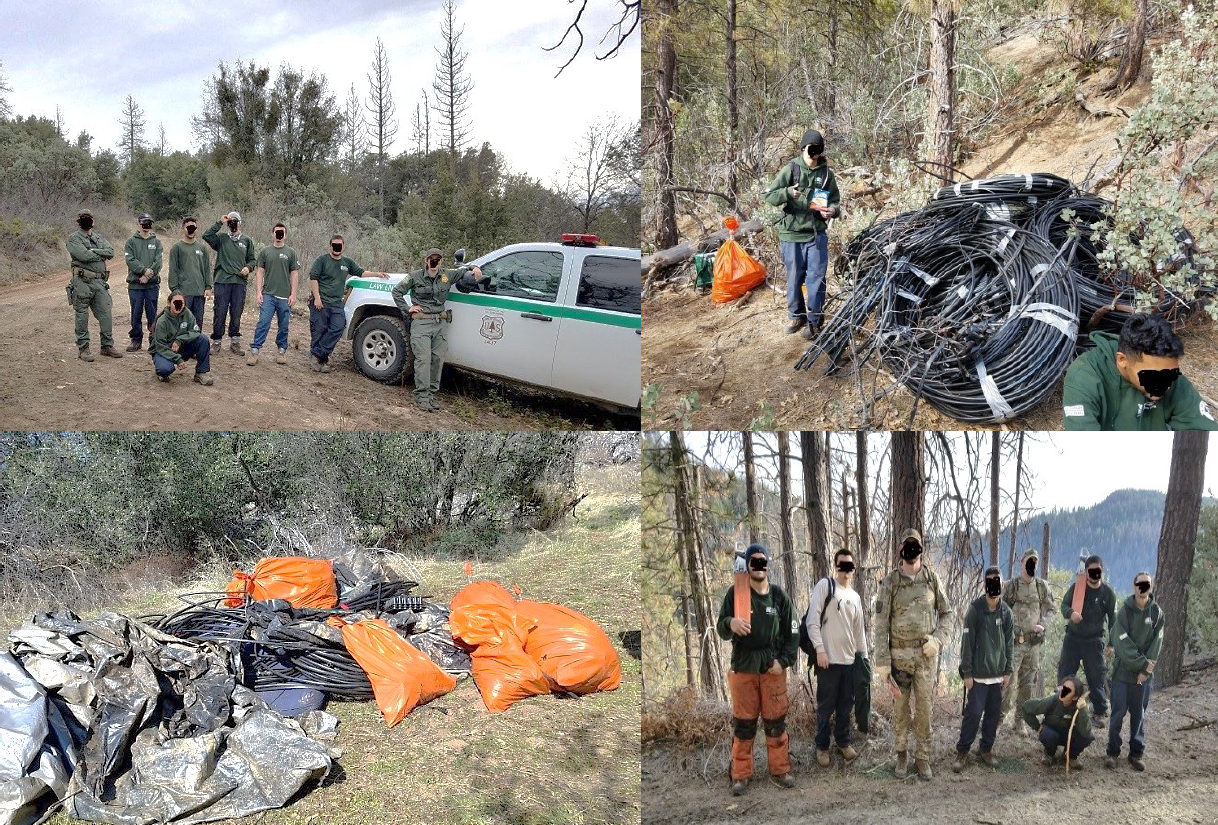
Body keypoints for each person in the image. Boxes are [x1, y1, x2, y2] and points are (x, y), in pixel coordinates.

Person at [715, 543, 798, 796]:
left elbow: (793, 630)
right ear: (748, 566)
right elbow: (721, 627)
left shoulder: (778, 596)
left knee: (775, 722)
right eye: (754, 561)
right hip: (743, 666)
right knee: (744, 725)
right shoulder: (736, 594)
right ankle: (740, 775)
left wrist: (783, 661)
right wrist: (731, 622)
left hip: (772, 667)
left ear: (767, 564)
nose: (759, 565)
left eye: (763, 561)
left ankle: (780, 769)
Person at [874, 528, 954, 781]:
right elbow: (880, 625)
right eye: (907, 545)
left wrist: (938, 640)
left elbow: (948, 614)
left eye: (915, 545)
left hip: (925, 658)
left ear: (921, 550)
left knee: (924, 710)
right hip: (899, 659)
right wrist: (883, 662)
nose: (911, 550)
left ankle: (922, 757)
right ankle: (901, 755)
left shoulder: (931, 579)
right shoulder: (890, 583)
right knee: (900, 710)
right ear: (901, 549)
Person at [1062, 313, 1218, 430]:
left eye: (1171, 373)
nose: (1165, 384)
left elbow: (1203, 430)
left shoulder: (1170, 378)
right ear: (1122, 361)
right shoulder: (1084, 376)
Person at [761, 128, 841, 339]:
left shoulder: (826, 174)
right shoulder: (791, 169)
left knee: (816, 278)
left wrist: (832, 210)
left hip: (816, 234)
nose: (814, 155)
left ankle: (815, 321)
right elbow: (768, 195)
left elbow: (834, 200)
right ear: (803, 149)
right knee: (794, 277)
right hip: (791, 234)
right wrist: (788, 192)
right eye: (811, 150)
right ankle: (797, 315)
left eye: (818, 150)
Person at [391, 247, 488, 411]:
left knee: (437, 360)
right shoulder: (414, 276)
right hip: (421, 323)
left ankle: (431, 395)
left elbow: (468, 271)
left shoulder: (447, 275)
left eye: (437, 259)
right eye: (431, 259)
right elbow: (397, 291)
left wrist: (475, 268)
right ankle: (422, 395)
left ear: (441, 261)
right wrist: (407, 308)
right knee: (423, 359)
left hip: (440, 324)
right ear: (426, 261)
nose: (434, 261)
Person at [807, 548, 868, 768]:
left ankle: (843, 742)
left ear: (853, 569)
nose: (846, 570)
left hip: (850, 662)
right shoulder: (826, 586)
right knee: (826, 707)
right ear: (836, 565)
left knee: (845, 706)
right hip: (828, 661)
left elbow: (859, 631)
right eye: (842, 565)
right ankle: (822, 746)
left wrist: (864, 659)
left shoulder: (855, 597)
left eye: (849, 566)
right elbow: (812, 620)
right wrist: (820, 650)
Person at [952, 567, 1014, 773]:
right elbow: (966, 643)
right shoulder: (975, 610)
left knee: (993, 715)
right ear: (984, 585)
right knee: (973, 714)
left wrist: (1008, 670)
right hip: (977, 676)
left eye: (997, 581)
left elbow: (1009, 644)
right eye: (990, 581)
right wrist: (967, 673)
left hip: (997, 676)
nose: (994, 585)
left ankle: (986, 750)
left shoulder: (1006, 612)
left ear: (1002, 584)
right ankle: (963, 751)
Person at [1105, 572, 1164, 772]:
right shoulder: (1124, 612)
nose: (1143, 587)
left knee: (1139, 715)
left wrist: (1146, 672)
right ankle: (1112, 752)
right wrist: (1141, 665)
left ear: (1151, 586)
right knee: (1117, 713)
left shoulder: (1157, 614)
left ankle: (1136, 754)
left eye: (1146, 583)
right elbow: (1122, 645)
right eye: (1139, 583)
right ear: (1134, 586)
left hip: (1144, 677)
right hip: (1122, 674)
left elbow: (1157, 644)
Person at [307, 235, 386, 373]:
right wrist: (317, 298)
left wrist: (377, 274)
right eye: (334, 245)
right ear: (330, 246)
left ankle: (317, 353)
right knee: (319, 329)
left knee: (338, 326)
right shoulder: (322, 260)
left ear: (343, 246)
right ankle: (319, 360)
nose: (337, 247)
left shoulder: (347, 262)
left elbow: (360, 272)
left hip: (337, 303)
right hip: (321, 301)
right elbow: (313, 278)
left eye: (339, 245)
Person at [1000, 548, 1054, 734]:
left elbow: (1050, 610)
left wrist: (1043, 624)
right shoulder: (1012, 586)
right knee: (1007, 682)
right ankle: (999, 719)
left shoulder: (1042, 587)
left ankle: (1019, 721)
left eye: (1035, 562)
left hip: (1033, 644)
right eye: (1029, 561)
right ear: (1021, 563)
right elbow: (1000, 607)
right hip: (1013, 643)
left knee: (1027, 684)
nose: (1032, 564)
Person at [1058, 553, 1117, 723]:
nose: (1094, 574)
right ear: (1086, 572)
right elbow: (1064, 605)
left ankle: (1099, 712)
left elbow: (1113, 620)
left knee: (1096, 678)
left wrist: (1112, 643)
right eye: (1091, 571)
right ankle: (1061, 709)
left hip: (1094, 641)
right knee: (1065, 676)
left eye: (1097, 570)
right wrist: (1071, 614)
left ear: (1101, 571)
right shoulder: (1078, 587)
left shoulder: (1107, 594)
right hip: (1073, 639)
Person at [65, 209, 123, 361]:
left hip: (100, 282)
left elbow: (110, 252)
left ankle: (107, 346)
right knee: (82, 316)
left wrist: (94, 250)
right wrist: (99, 253)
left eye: (89, 218)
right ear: (78, 221)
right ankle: (83, 348)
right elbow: (83, 255)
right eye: (84, 218)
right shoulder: (73, 238)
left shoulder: (98, 237)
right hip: (82, 282)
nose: (87, 221)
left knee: (106, 313)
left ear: (93, 221)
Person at [203, 210, 256, 354]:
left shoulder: (246, 241)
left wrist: (248, 267)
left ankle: (235, 341)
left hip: (239, 282)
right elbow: (206, 235)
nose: (233, 223)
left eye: (235, 221)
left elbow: (253, 260)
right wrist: (220, 222)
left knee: (236, 312)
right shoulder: (221, 239)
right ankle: (216, 341)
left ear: (240, 223)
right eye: (230, 221)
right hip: (222, 281)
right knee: (220, 311)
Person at [247, 222, 299, 366]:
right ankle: (255, 351)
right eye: (277, 231)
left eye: (282, 232)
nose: (279, 234)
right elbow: (259, 272)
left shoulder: (291, 252)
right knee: (263, 322)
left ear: (286, 235)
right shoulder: (265, 251)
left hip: (284, 296)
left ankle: (281, 351)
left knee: (284, 325)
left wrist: (293, 294)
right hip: (268, 294)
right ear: (272, 233)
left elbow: (294, 274)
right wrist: (258, 292)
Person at [1022, 676, 1094, 768]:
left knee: (1088, 737)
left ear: (1075, 697)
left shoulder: (1079, 706)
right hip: (1051, 733)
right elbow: (1026, 707)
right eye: (1063, 687)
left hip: (1068, 736)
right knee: (1049, 735)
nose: (1063, 691)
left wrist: (1083, 709)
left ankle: (1070, 756)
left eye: (1068, 690)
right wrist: (1037, 727)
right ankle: (1049, 754)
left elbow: (1085, 732)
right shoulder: (1053, 700)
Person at [151, 290, 213, 385]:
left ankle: (201, 372)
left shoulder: (187, 314)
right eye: (175, 302)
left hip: (181, 347)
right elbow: (160, 346)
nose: (178, 305)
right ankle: (162, 372)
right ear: (169, 303)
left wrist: (180, 340)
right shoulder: (162, 321)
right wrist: (178, 359)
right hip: (164, 350)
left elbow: (195, 331)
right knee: (165, 369)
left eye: (181, 302)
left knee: (202, 339)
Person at [123, 212, 163, 352]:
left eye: (149, 222)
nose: (146, 225)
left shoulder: (157, 242)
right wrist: (142, 271)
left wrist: (148, 275)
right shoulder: (131, 242)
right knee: (136, 313)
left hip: (152, 285)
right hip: (135, 285)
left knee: (152, 314)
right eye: (144, 222)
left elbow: (158, 262)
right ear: (138, 223)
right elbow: (130, 260)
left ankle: (154, 340)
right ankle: (136, 340)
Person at [168, 216, 212, 324]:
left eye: (193, 227)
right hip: (183, 293)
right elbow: (173, 269)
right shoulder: (177, 248)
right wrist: (175, 290)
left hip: (199, 292)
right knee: (182, 322)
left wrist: (208, 287)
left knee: (197, 322)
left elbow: (207, 268)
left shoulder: (202, 248)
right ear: (183, 229)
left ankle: (196, 341)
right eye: (188, 227)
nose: (191, 230)